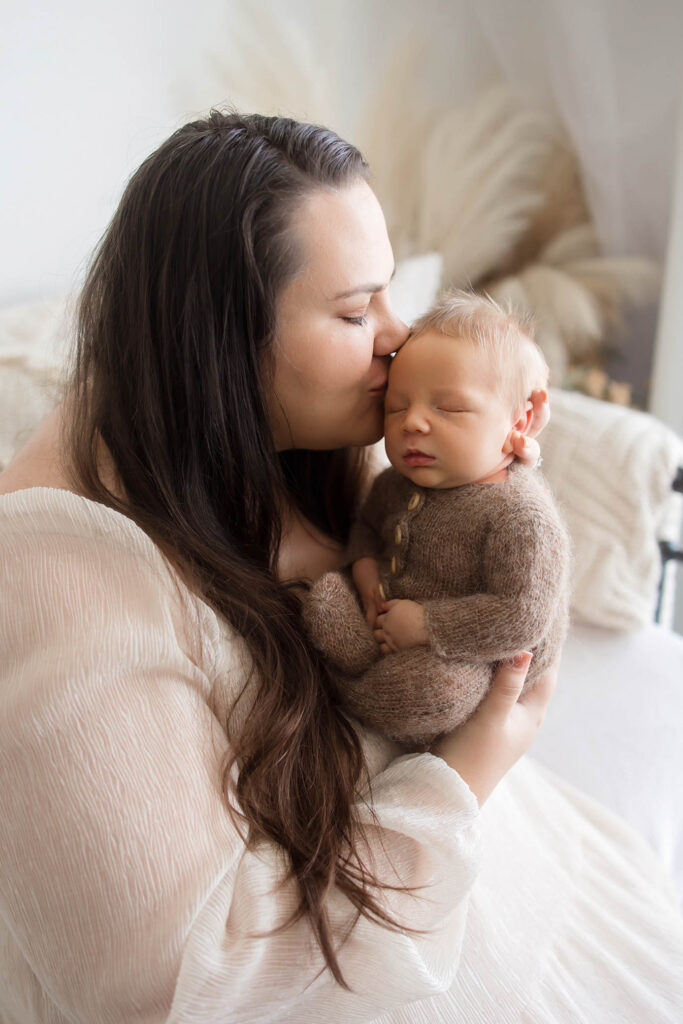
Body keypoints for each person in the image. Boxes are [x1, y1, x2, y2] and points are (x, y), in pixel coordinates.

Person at [0, 111, 681, 1024]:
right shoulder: (55, 580)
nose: (396, 338)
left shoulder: (290, 446)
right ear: (219, 345)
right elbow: (175, 991)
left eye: (389, 296)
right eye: (356, 311)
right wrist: (462, 778)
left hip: (550, 891)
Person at [304, 290, 571, 745]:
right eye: (397, 407)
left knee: (438, 691)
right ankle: (364, 664)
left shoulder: (521, 517)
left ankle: (352, 691)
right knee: (327, 598)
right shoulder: (394, 484)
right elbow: (368, 529)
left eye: (447, 408)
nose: (413, 423)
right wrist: (366, 575)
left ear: (519, 422)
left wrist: (424, 626)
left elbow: (521, 615)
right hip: (387, 618)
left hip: (474, 658)